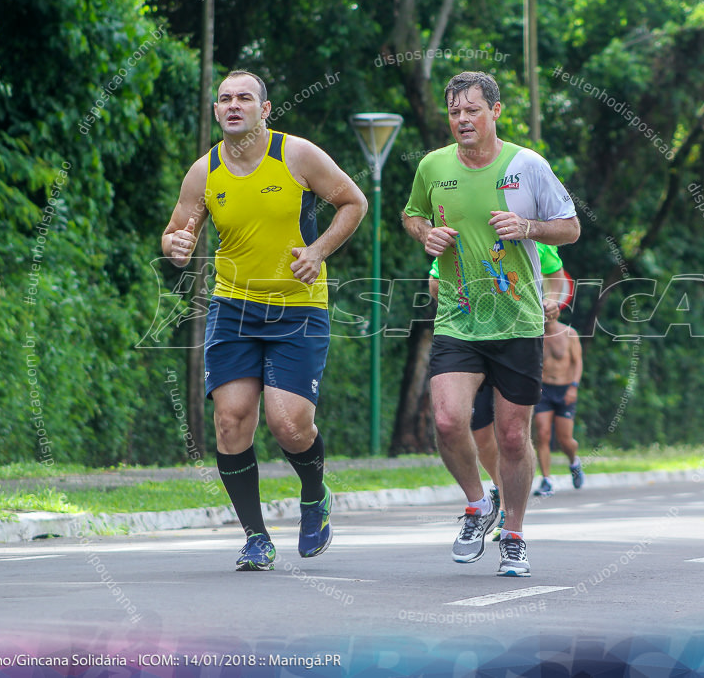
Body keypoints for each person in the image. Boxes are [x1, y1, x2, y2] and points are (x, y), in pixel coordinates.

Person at [161, 70, 367, 570]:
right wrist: (176, 246)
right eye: (226, 99)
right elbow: (173, 235)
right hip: (233, 308)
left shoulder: (295, 155)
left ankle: (314, 496)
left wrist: (317, 251)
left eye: (245, 98)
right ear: (216, 111)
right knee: (231, 422)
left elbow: (353, 201)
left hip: (298, 306)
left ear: (265, 108)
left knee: (289, 423)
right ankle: (256, 536)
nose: (235, 105)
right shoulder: (203, 171)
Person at [403, 71, 580, 577]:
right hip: (459, 317)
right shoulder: (433, 165)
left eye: (472, 110)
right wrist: (426, 235)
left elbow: (570, 227)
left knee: (509, 437)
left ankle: (516, 534)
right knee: (446, 420)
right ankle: (479, 504)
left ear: (495, 111)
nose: (462, 119)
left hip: (518, 320)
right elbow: (412, 214)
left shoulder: (527, 166)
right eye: (455, 111)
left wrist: (528, 227)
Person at [428, 243, 570, 536]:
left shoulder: (534, 236)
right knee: (473, 431)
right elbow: (435, 281)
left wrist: (553, 300)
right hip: (467, 338)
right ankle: (493, 495)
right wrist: (464, 304)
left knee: (513, 435)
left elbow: (558, 279)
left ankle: (509, 516)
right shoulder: (461, 232)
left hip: (517, 337)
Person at [533, 311, 584, 497]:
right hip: (544, 390)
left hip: (565, 390)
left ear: (556, 311)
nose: (545, 314)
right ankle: (546, 480)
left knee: (565, 440)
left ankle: (574, 462)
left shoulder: (569, 333)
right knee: (543, 434)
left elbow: (578, 362)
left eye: (548, 310)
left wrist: (574, 386)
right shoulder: (535, 335)